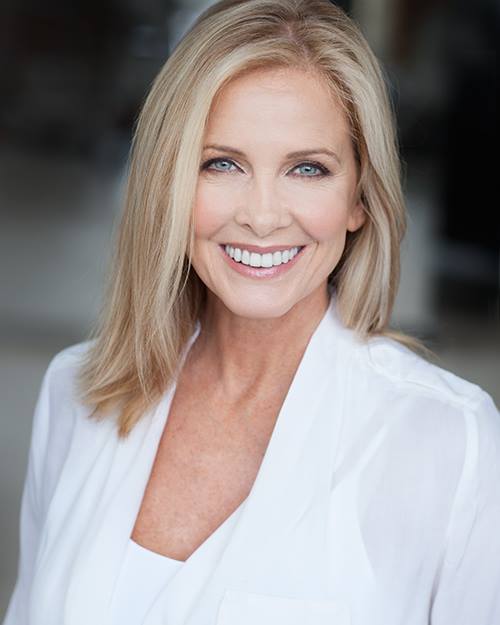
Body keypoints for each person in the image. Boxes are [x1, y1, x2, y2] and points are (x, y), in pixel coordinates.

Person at [3, 1, 499, 624]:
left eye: (308, 169)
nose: (262, 217)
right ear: (168, 182)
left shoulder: (447, 438)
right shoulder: (76, 392)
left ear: (359, 198)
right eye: (222, 164)